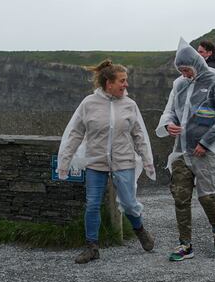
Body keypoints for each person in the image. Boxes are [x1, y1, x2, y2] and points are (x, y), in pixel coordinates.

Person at [57, 60, 156, 264]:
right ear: (108, 83)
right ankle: (92, 247)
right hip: (96, 162)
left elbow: (139, 135)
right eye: (122, 81)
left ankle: (140, 230)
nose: (126, 84)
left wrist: (147, 160)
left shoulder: (130, 105)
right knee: (92, 204)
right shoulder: (88, 104)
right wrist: (64, 161)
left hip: (123, 161)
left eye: (126, 80)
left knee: (129, 203)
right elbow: (75, 133)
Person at [156, 38, 215, 261]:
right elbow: (170, 110)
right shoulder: (179, 85)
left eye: (186, 69)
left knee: (207, 198)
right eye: (180, 70)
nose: (184, 74)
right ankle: (185, 245)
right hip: (182, 151)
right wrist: (168, 124)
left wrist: (206, 143)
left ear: (196, 63)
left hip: (206, 152)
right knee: (180, 196)